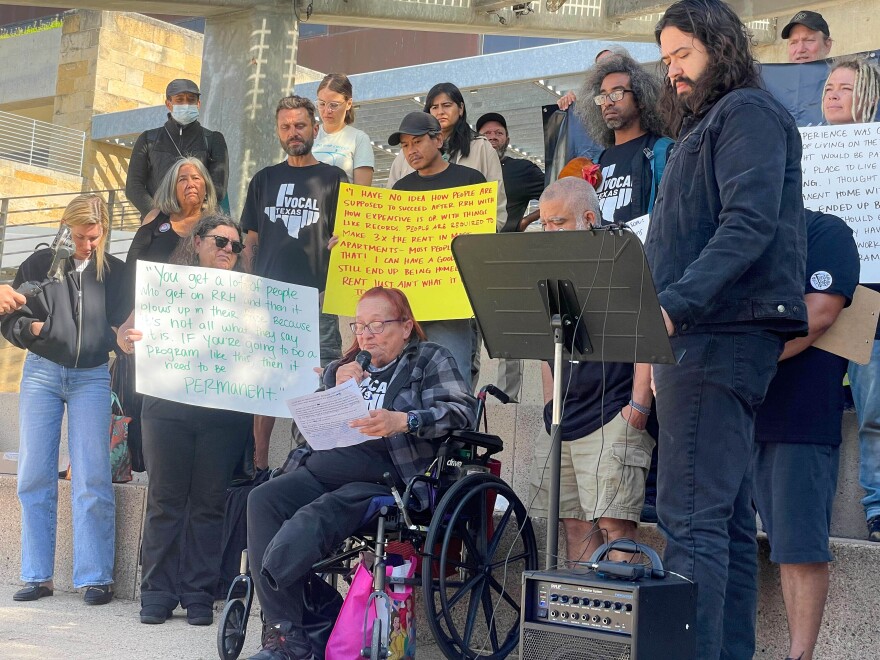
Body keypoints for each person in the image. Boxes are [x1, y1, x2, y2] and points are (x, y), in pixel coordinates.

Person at [647, 2, 808, 658]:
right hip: (705, 334)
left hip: (715, 333)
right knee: (728, 523)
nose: (673, 71)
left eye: (683, 54)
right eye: (666, 61)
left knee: (691, 521)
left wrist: (673, 304)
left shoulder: (745, 114)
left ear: (721, 45)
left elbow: (747, 224)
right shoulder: (710, 122)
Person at [246, 286, 476, 660]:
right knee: (263, 499)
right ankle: (287, 637)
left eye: (377, 325)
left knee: (319, 512)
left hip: (387, 477)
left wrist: (405, 420)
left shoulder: (430, 359)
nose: (365, 335)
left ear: (405, 326)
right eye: (359, 326)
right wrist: (332, 393)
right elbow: (304, 433)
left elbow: (462, 411)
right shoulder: (346, 367)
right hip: (322, 467)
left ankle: (277, 580)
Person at [118, 215, 253, 626]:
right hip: (167, 410)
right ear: (197, 241)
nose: (228, 249)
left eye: (235, 245)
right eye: (220, 241)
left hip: (224, 416)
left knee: (210, 504)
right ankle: (156, 593)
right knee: (165, 500)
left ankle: (198, 594)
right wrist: (129, 338)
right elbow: (124, 335)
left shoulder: (253, 296)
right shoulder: (165, 285)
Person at [2, 194, 128, 606]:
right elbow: (9, 316)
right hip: (41, 372)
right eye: (79, 236)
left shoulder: (116, 272)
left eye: (94, 237)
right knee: (34, 473)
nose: (86, 244)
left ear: (104, 232)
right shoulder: (39, 265)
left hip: (92, 375)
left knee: (91, 474)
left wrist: (122, 339)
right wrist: (32, 329)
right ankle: (37, 576)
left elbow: (123, 326)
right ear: (65, 228)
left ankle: (95, 577)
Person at [528, 177, 655, 565]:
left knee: (617, 528)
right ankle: (582, 622)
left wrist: (638, 408)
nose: (549, 232)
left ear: (588, 218)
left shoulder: (623, 259)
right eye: (545, 224)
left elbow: (649, 334)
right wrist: (551, 406)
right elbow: (540, 345)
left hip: (613, 413)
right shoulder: (544, 268)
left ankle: (621, 625)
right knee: (573, 525)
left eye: (559, 222)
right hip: (564, 419)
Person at [754, 209, 859, 660]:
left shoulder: (825, 231)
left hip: (796, 415)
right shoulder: (728, 232)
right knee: (724, 542)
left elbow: (820, 313)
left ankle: (800, 656)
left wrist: (744, 360)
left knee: (798, 547)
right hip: (727, 412)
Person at [241, 96, 348, 470]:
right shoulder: (264, 179)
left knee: (320, 382)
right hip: (269, 297)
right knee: (264, 382)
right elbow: (250, 239)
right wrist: (251, 287)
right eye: (286, 127)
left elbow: (348, 235)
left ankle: (309, 462)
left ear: (315, 129)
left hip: (318, 297)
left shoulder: (334, 178)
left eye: (300, 125)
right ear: (278, 132)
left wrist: (342, 243)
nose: (293, 133)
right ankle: (258, 461)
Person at [822, 57, 880, 542]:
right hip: (813, 298)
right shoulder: (805, 154)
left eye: (846, 87)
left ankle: (876, 509)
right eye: (828, 85)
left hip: (870, 301)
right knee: (812, 415)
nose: (833, 93)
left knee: (874, 410)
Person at [389, 111, 484, 385]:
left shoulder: (470, 181)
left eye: (417, 142)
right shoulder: (400, 189)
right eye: (405, 145)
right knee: (406, 384)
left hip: (451, 306)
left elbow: (483, 242)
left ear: (438, 139)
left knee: (453, 382)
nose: (411, 151)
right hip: (407, 307)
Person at [386, 82, 507, 233]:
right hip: (419, 242)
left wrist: (486, 232)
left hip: (466, 242)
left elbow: (496, 200)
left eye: (447, 105)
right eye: (434, 107)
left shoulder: (481, 147)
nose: (440, 112)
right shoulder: (405, 155)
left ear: (461, 108)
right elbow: (392, 204)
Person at [574, 52, 671, 223]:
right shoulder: (596, 162)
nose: (608, 102)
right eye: (602, 96)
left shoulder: (663, 151)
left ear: (641, 98)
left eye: (617, 93)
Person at [126, 79, 228, 217]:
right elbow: (133, 186)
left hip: (198, 225)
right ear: (168, 104)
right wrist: (157, 215)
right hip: (158, 226)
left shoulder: (214, 140)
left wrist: (195, 216)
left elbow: (218, 188)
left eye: (191, 100)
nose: (186, 104)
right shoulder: (148, 139)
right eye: (179, 100)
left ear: (198, 104)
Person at [476, 112, 544, 233]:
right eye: (486, 133)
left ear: (507, 140)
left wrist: (526, 220)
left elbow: (557, 196)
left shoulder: (523, 169)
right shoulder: (467, 169)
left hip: (508, 246)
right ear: (476, 140)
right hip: (470, 245)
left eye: (499, 133)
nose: (493, 137)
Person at [312, 73, 375, 186]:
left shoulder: (359, 139)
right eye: (321, 104)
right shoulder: (307, 135)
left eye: (334, 105)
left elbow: (361, 192)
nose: (327, 110)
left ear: (348, 104)